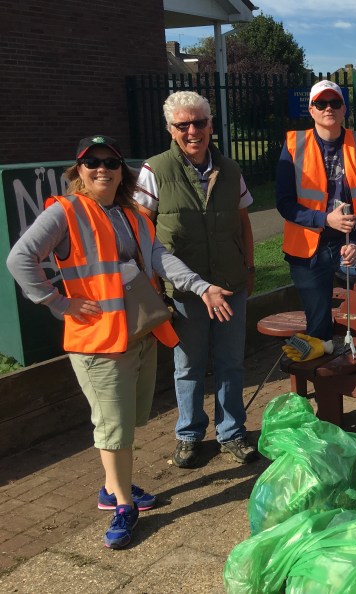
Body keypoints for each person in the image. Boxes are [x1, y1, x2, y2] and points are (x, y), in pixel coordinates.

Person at [7, 135, 233, 549]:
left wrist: (201, 287)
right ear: (78, 171)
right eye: (91, 163)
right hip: (97, 342)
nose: (102, 170)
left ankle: (112, 489)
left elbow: (161, 259)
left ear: (121, 172)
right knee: (113, 429)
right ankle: (123, 507)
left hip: (137, 332)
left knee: (127, 423)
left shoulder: (132, 216)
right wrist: (58, 302)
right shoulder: (66, 213)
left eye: (110, 163)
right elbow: (20, 259)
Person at [134, 91, 257, 468]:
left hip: (229, 285)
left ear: (210, 126)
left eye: (199, 123)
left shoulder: (230, 169)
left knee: (231, 362)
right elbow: (142, 230)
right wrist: (154, 285)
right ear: (171, 130)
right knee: (187, 365)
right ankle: (189, 435)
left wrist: (249, 269)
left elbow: (243, 222)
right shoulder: (155, 170)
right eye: (183, 125)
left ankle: (232, 432)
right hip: (184, 291)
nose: (192, 131)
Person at [276, 80, 356, 369]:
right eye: (321, 103)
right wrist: (323, 219)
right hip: (309, 247)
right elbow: (285, 203)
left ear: (344, 109)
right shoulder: (294, 144)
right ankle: (324, 387)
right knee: (320, 336)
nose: (328, 108)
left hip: (352, 242)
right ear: (311, 110)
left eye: (334, 103)